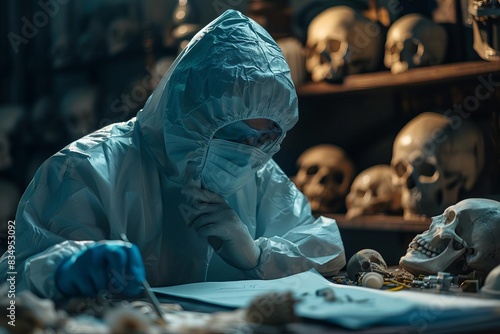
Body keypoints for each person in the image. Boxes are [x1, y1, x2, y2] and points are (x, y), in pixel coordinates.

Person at [0, 9, 345, 299]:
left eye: (266, 137)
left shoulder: (258, 173)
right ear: (188, 113)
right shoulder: (84, 170)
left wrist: (257, 254)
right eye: (235, 134)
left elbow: (324, 250)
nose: (249, 152)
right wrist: (59, 272)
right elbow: (10, 292)